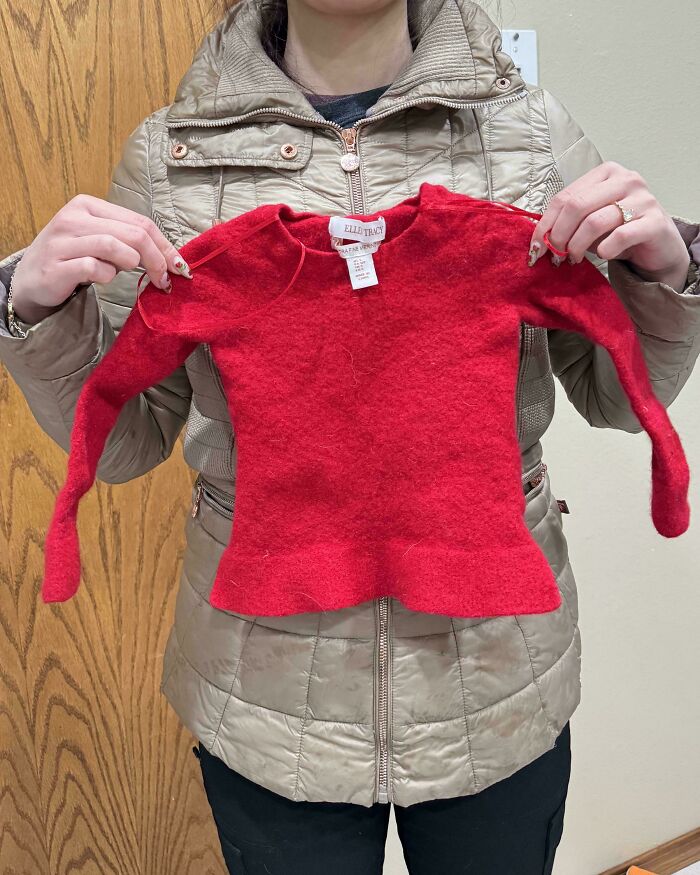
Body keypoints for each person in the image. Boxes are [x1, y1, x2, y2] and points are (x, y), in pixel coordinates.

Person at [1, 0, 698, 872]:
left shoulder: (527, 129)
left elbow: (618, 397)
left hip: (496, 676)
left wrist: (668, 275)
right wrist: (37, 314)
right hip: (260, 687)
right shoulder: (170, 154)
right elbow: (121, 437)